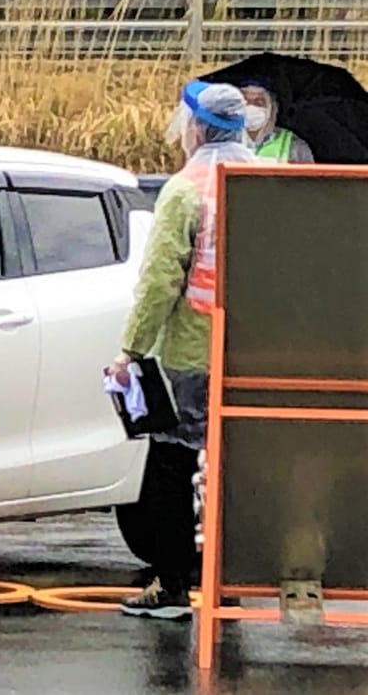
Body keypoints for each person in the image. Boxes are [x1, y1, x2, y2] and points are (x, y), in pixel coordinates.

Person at [110, 80, 255, 620]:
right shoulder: (266, 178)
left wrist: (131, 349)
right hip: (254, 352)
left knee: (171, 462)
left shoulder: (185, 188)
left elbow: (159, 281)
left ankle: (171, 585)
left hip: (192, 350)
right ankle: (231, 582)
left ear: (197, 127)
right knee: (237, 467)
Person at [238, 79, 315, 163]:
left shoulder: (294, 145)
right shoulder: (223, 141)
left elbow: (308, 175)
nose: (251, 107)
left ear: (272, 109)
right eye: (245, 102)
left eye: (259, 102)